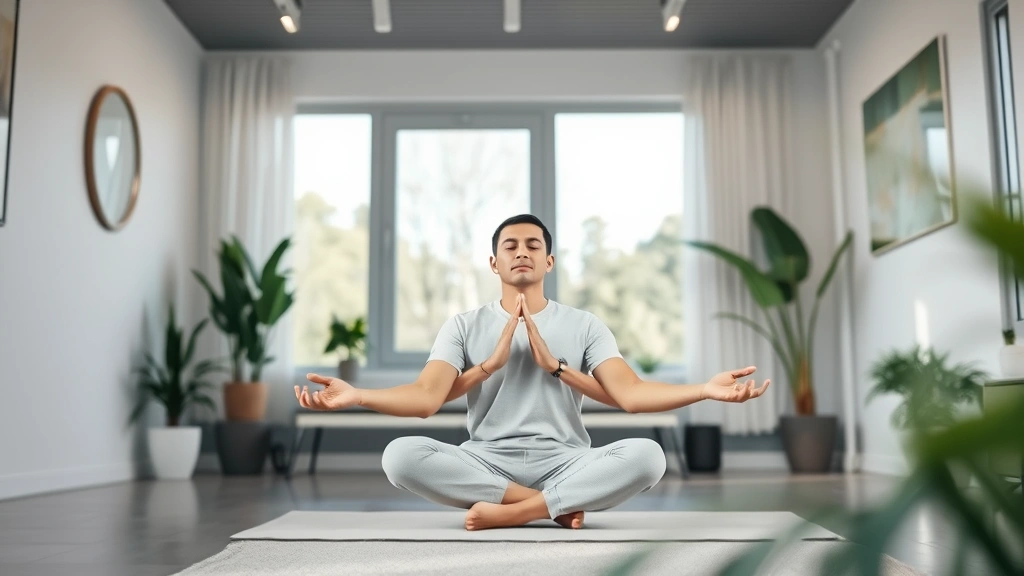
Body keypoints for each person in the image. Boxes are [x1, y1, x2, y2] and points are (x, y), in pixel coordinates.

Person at [295, 214, 770, 531]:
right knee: (399, 456)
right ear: (493, 262)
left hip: (567, 459)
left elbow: (630, 394)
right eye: (510, 245)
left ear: (549, 260)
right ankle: (547, 507)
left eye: (533, 245)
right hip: (486, 462)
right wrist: (358, 395)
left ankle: (515, 513)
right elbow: (424, 399)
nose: (521, 251)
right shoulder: (463, 325)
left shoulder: (584, 324)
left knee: (649, 455)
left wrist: (705, 390)